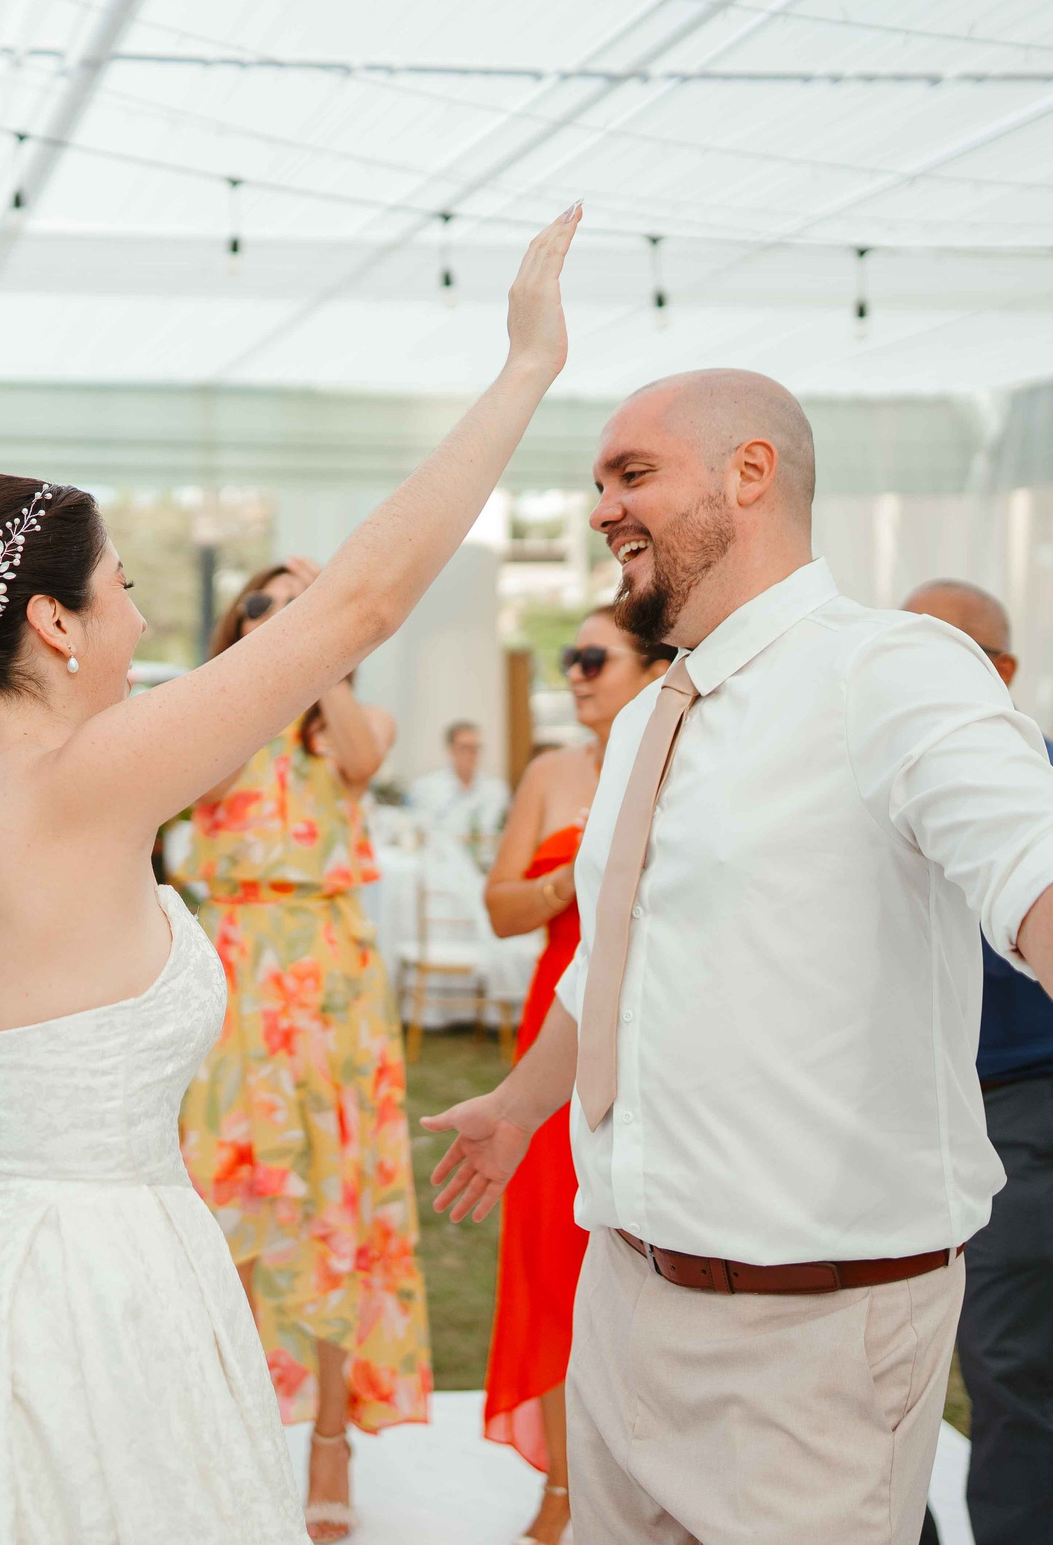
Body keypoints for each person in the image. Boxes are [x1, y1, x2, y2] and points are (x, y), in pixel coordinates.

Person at [0, 205, 585, 1545]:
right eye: (124, 586)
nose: (143, 617)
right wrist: (525, 370)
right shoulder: (91, 777)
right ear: (54, 620)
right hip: (98, 1299)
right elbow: (359, 605)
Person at [421, 369, 1053, 1545]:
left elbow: (1047, 855)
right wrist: (521, 1105)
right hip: (621, 1296)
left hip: (812, 1341)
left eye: (632, 474)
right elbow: (614, 958)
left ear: (750, 473)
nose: (600, 509)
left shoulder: (889, 668)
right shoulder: (645, 723)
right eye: (598, 482)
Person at [178, 558, 429, 1540]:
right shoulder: (211, 718)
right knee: (229, 1192)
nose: (279, 617)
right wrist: (267, 667)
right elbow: (198, 781)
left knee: (335, 1197)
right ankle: (231, 1438)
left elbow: (361, 762)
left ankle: (332, 1439)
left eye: (300, 603)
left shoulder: (356, 723)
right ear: (236, 622)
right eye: (262, 604)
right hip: (236, 960)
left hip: (331, 973)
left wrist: (325, 646)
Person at [895, 579, 1053, 1545]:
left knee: (1006, 1357)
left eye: (935, 644)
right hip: (910, 1102)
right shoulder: (881, 770)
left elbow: (1013, 931)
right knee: (882, 1345)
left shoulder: (1050, 778)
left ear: (1004, 670)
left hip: (1022, 1099)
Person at [477, 606, 673, 1545]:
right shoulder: (551, 772)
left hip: (661, 1029)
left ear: (652, 667)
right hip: (554, 1031)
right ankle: (562, 1487)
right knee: (554, 1254)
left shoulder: (685, 760)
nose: (578, 672)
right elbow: (500, 906)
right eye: (571, 656)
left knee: (651, 1256)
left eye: (596, 656)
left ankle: (651, 1486)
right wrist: (576, 878)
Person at [406, 719, 510, 868]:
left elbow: (502, 834)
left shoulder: (497, 789)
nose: (471, 754)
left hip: (486, 866)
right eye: (464, 748)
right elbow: (419, 833)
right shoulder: (426, 787)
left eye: (475, 748)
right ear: (450, 749)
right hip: (440, 866)